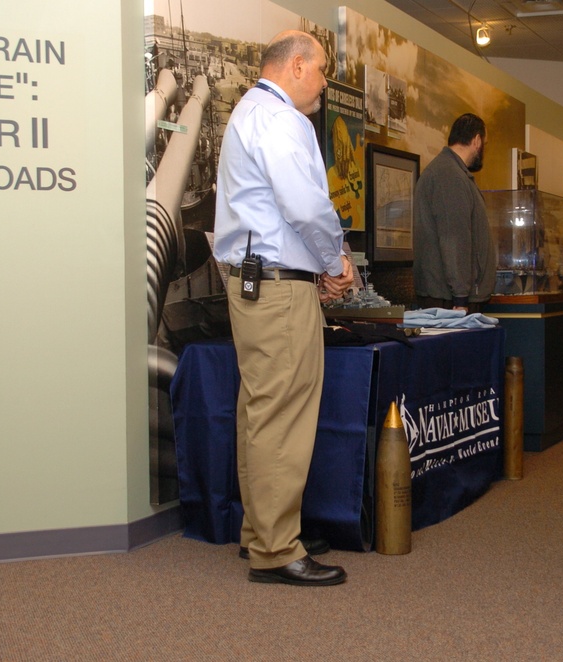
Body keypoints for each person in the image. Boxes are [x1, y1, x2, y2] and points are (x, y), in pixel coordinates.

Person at [213, 29, 353, 587]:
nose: (323, 83)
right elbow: (306, 206)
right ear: (296, 66)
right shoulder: (281, 120)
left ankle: (264, 531)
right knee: (283, 414)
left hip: (253, 284)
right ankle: (275, 548)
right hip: (277, 288)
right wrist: (335, 261)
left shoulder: (248, 112)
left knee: (261, 411)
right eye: (320, 71)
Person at [413, 113, 497, 314]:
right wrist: (461, 297)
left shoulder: (450, 172)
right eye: (484, 143)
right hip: (450, 302)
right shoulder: (449, 175)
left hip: (450, 298)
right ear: (476, 140)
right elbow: (454, 238)